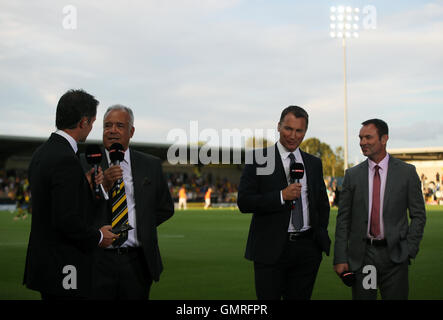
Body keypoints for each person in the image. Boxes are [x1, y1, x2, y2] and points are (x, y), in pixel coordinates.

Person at [23, 89, 116, 300]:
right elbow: (66, 219)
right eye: (92, 123)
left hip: (45, 262)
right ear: (83, 122)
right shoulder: (66, 158)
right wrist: (99, 236)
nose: (91, 129)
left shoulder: (43, 152)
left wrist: (85, 186)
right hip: (64, 264)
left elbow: (54, 202)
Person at [237, 105, 331, 300]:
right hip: (269, 251)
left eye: (299, 131)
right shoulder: (259, 159)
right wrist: (281, 196)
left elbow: (322, 204)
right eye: (288, 129)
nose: (293, 135)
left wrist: (318, 236)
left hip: (307, 250)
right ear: (278, 126)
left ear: (305, 132)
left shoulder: (313, 163)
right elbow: (244, 202)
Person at [333, 119, 426, 300]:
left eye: (368, 137)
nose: (362, 142)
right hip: (363, 257)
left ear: (384, 139)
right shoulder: (352, 175)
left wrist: (409, 249)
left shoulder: (406, 173)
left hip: (395, 256)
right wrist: (340, 257)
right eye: (360, 138)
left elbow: (419, 215)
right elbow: (343, 219)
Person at [89, 104, 174, 300]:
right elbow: (78, 210)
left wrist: (139, 225)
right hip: (96, 261)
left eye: (119, 125)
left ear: (131, 131)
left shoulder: (150, 164)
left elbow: (165, 208)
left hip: (137, 262)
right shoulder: (86, 163)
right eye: (107, 125)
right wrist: (103, 188)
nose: (112, 131)